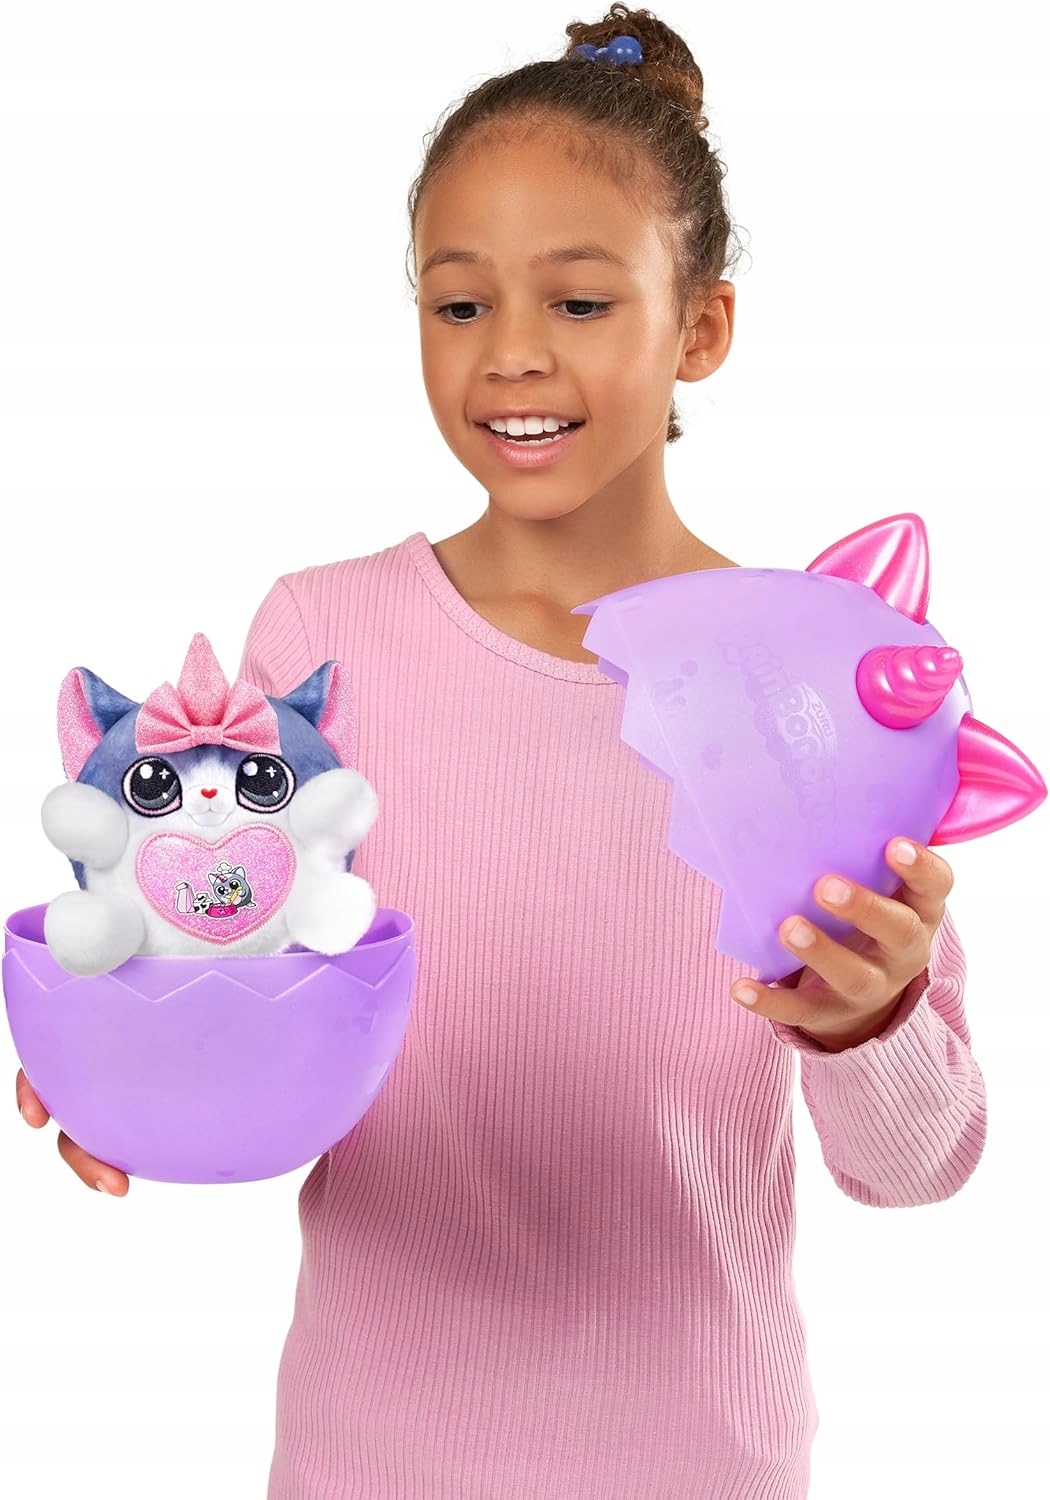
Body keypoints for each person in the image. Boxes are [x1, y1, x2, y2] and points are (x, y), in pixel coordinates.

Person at [16, 6, 983, 1495]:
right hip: (373, 1458)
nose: (511, 355)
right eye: (458, 304)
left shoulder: (816, 684)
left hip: (699, 1465)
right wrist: (130, 1054)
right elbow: (247, 967)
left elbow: (915, 1166)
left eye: (580, 302)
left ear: (702, 328)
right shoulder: (321, 641)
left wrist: (872, 1020)